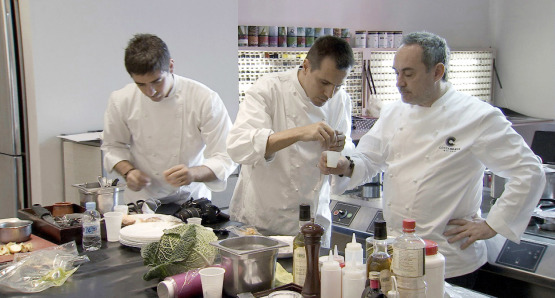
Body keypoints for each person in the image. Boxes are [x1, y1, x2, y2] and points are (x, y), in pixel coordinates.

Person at [319, 31, 545, 287]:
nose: (399, 82)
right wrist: (345, 166)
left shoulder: (477, 117)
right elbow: (370, 159)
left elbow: (529, 171)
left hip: (450, 260)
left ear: (437, 72)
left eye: (409, 73)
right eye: (396, 73)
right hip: (398, 254)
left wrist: (493, 225)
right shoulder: (394, 112)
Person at [227, 35, 356, 246]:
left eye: (337, 86)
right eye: (323, 82)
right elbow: (238, 146)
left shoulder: (340, 100)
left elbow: (347, 150)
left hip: (314, 224)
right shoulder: (269, 89)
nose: (329, 94)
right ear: (306, 66)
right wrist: (298, 133)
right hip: (263, 224)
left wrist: (339, 155)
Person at [101, 33, 237, 206]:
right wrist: (128, 172)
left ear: (171, 66)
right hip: (141, 202)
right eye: (141, 84)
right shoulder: (121, 99)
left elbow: (227, 155)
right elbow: (112, 145)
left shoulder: (203, 98)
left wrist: (193, 173)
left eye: (157, 81)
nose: (150, 91)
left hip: (191, 200)